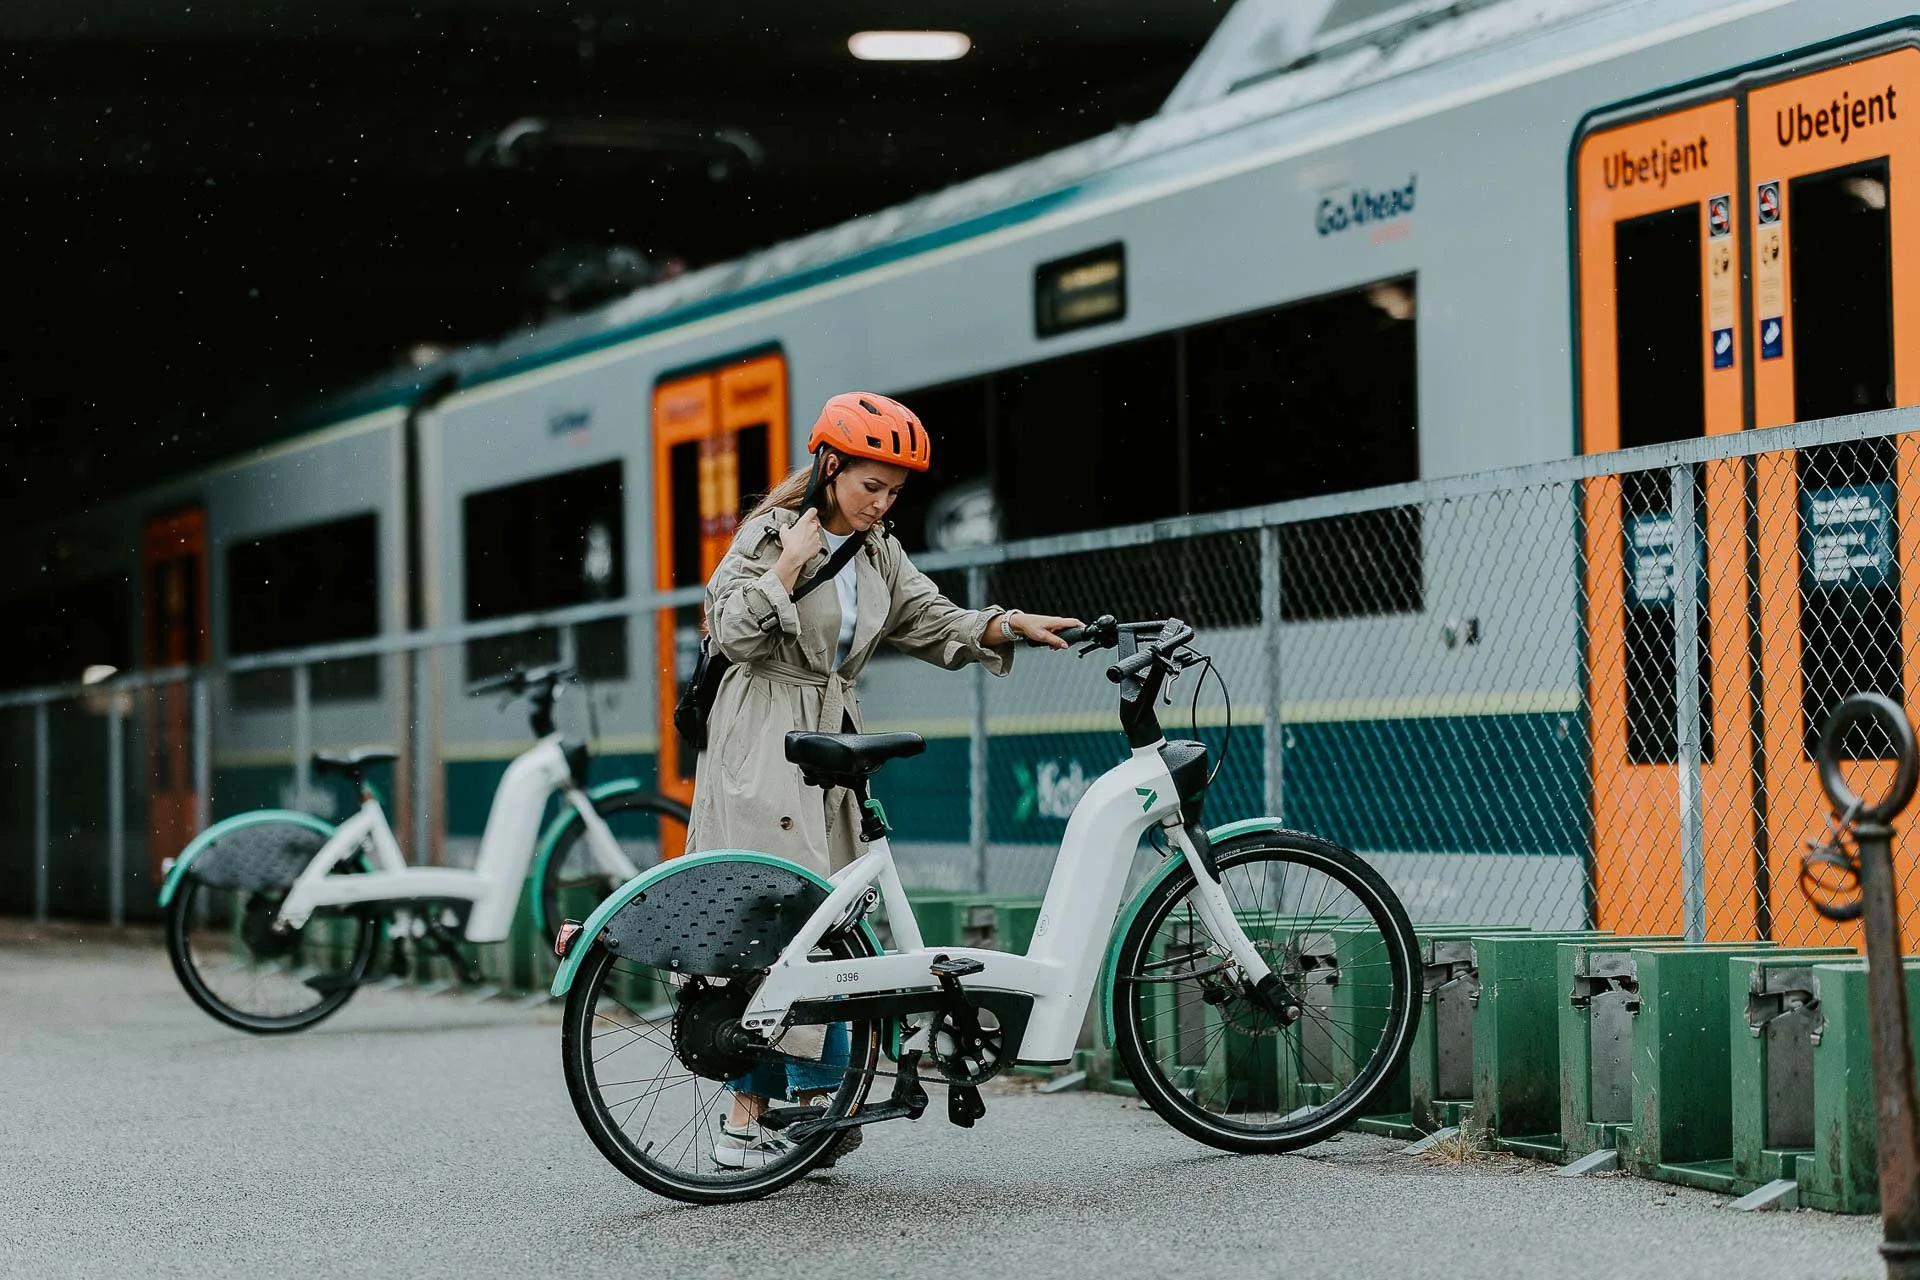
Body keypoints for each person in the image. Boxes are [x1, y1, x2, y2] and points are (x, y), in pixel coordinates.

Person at [688, 391, 1080, 1169]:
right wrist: (792, 562)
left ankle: (808, 1104)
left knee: (826, 925)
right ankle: (749, 1113)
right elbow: (728, 631)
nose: (882, 502)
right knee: (777, 922)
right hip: (762, 737)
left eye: (895, 491)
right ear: (829, 466)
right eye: (871, 485)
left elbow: (931, 620)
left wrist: (1006, 626)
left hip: (828, 738)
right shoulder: (768, 536)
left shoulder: (877, 553)